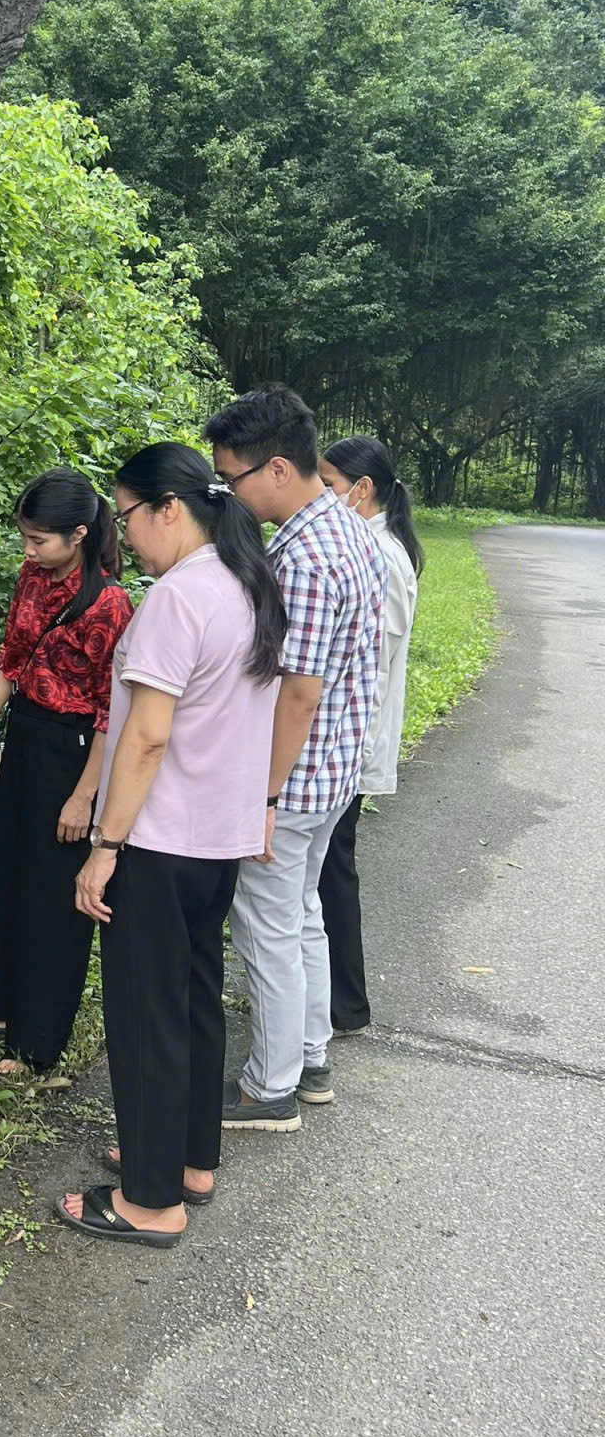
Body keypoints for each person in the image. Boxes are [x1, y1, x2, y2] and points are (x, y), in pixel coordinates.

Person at [54, 445, 285, 1247]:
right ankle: (188, 1159)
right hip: (216, 841)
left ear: (168, 509)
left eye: (125, 516)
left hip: (158, 841)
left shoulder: (177, 600)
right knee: (192, 1001)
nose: (125, 536)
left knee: (146, 1015)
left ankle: (151, 1200)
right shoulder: (248, 584)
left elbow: (145, 739)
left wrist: (105, 846)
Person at [205, 385, 385, 1130]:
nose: (229, 494)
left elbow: (298, 693)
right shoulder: (351, 531)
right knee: (302, 915)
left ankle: (269, 1086)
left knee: (267, 928)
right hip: (335, 770)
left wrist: (265, 796)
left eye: (232, 479)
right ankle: (308, 1057)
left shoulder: (305, 556)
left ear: (275, 468)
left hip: (297, 777)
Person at [0, 469, 132, 1078]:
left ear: (79, 534)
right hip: (26, 735)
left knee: (54, 897)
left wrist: (85, 796)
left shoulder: (109, 604)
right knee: (9, 875)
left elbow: (112, 712)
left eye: (39, 540)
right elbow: (11, 657)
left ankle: (38, 1043)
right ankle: (5, 1007)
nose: (29, 551)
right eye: (25, 539)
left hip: (74, 750)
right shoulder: (32, 578)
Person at [318, 436, 424, 1033]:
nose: (322, 496)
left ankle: (344, 1003)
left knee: (332, 867)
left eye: (329, 485)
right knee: (331, 865)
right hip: (348, 737)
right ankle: (335, 998)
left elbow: (370, 661)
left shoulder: (381, 554)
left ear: (363, 490)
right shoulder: (372, 545)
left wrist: (347, 741)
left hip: (349, 738)